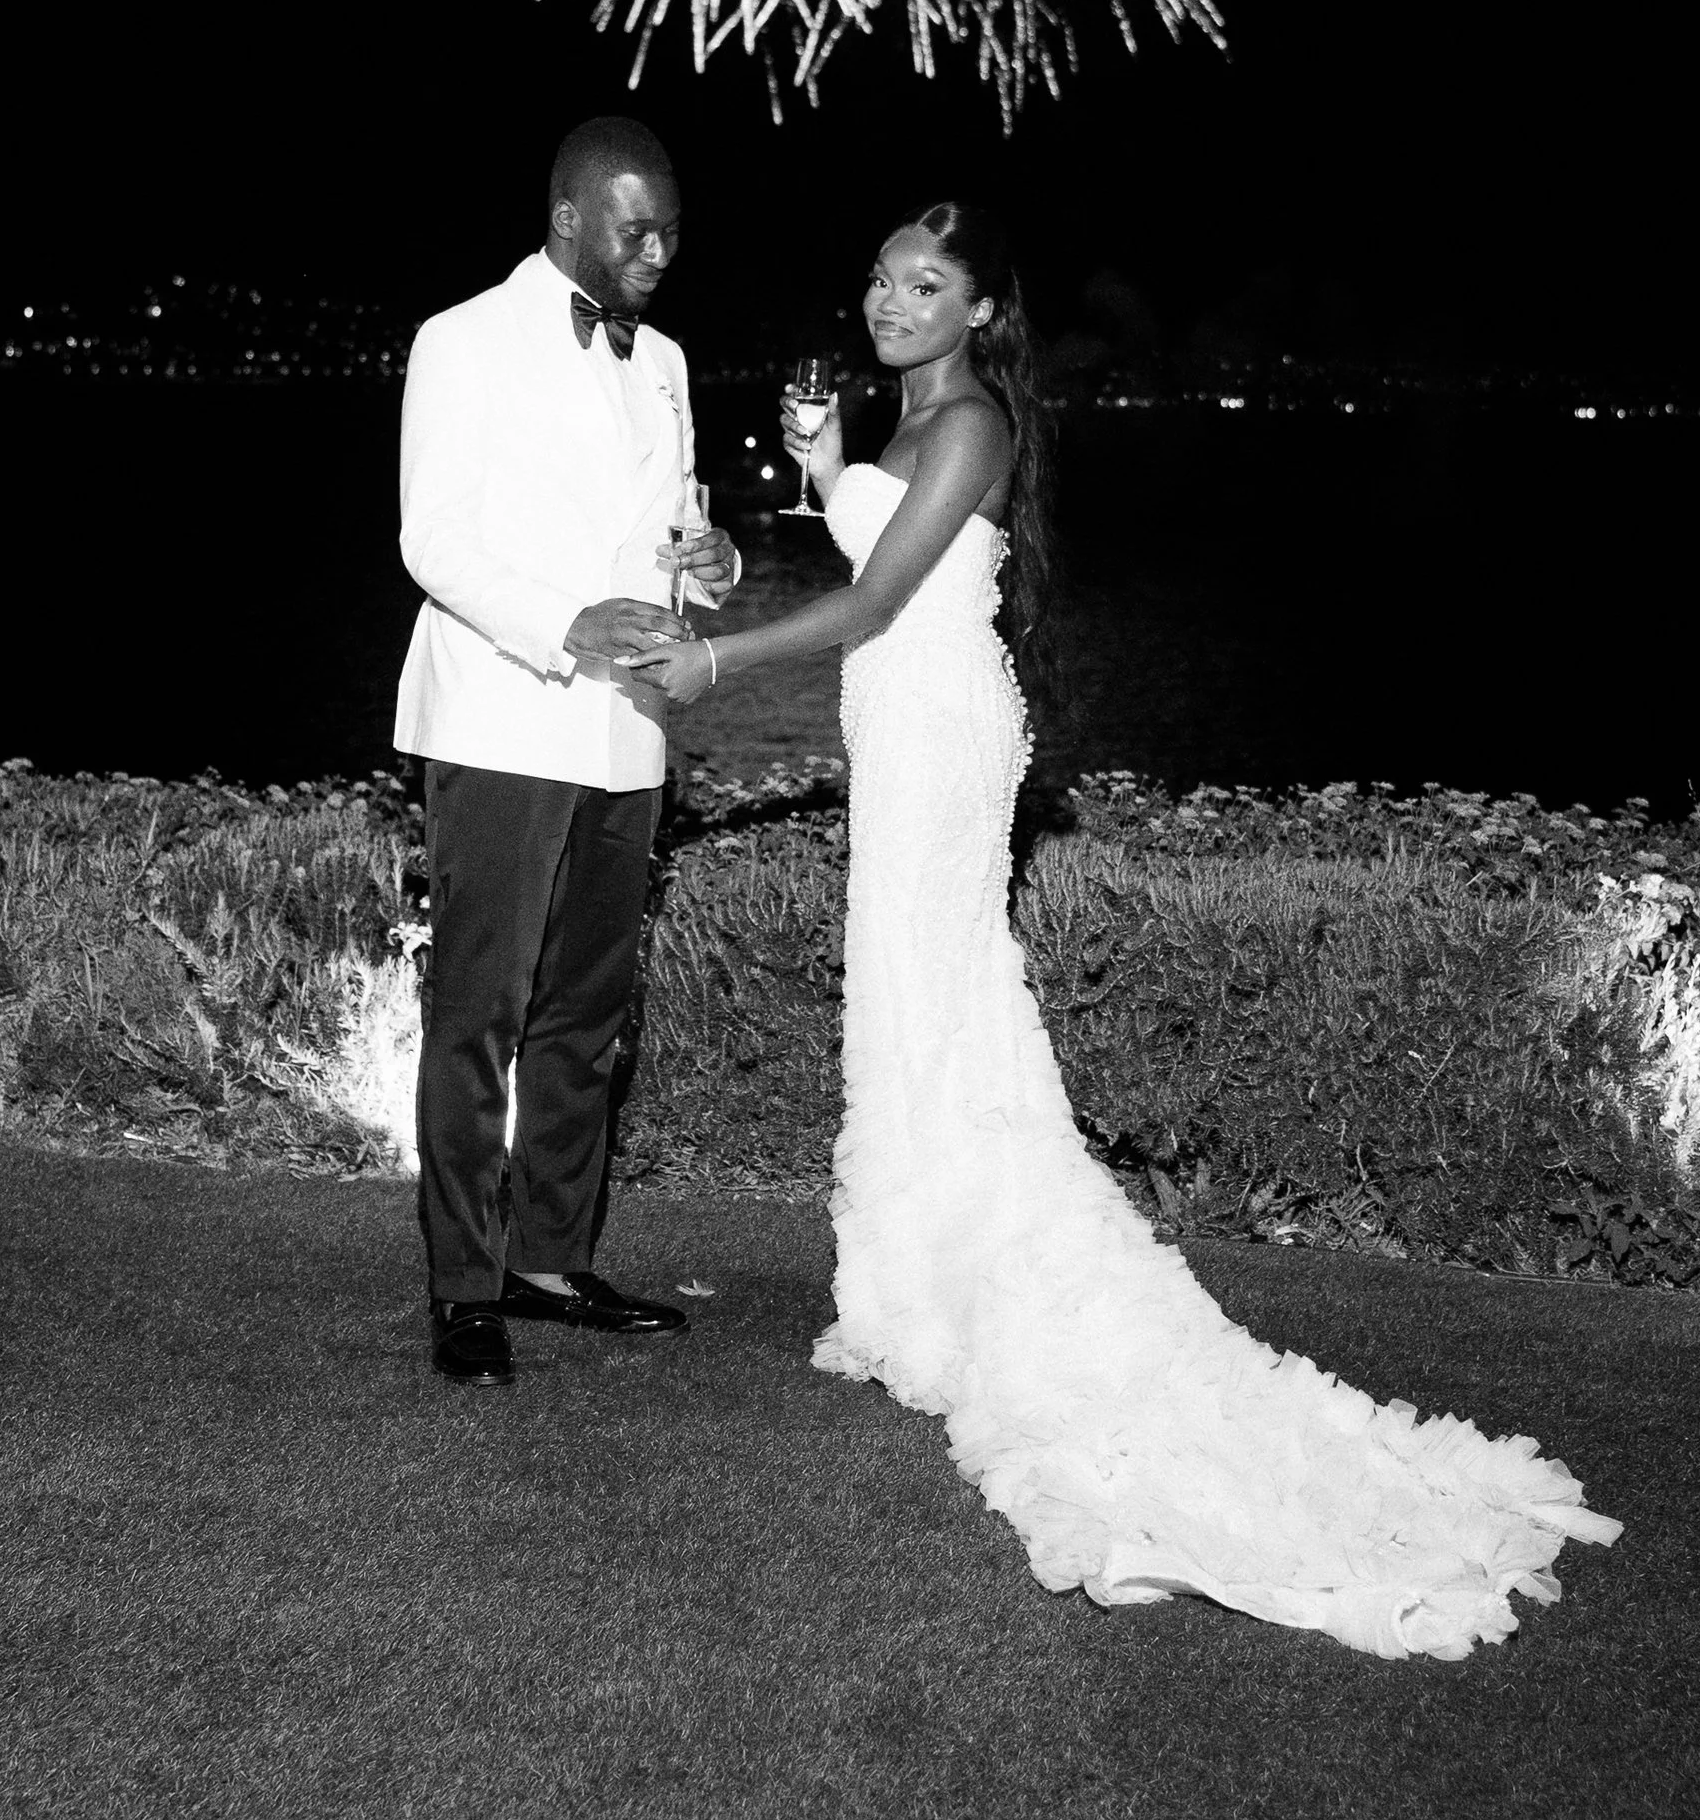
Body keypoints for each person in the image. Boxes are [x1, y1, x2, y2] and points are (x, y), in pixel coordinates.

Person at [630, 197, 1623, 1658]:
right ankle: (912, 1276)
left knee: (933, 979)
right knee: (917, 996)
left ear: (977, 312)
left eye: (927, 285)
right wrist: (817, 460)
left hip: (942, 729)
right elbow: (863, 548)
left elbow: (882, 600)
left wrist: (712, 659)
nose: (893, 301)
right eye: (881, 279)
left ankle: (960, 1282)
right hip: (899, 731)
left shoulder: (970, 422)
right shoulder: (907, 422)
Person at [395, 117, 740, 1386]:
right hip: (501, 714)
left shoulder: (669, 362)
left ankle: (548, 1261)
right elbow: (431, 538)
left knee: (587, 1011)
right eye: (634, 228)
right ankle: (461, 1285)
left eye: (669, 231)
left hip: (624, 731)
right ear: (566, 219)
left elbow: (673, 530)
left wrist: (715, 564)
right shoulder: (462, 339)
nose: (657, 251)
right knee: (480, 1007)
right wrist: (561, 626)